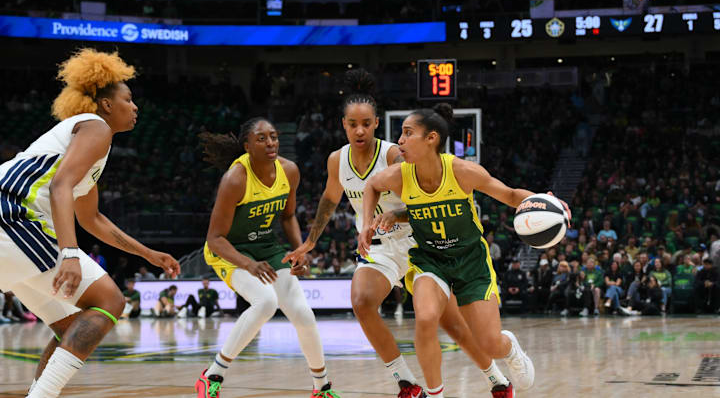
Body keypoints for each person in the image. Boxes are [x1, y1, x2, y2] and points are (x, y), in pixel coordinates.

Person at [283, 70, 513, 398]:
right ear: (343, 125)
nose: (359, 130)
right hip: (382, 247)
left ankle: (497, 379)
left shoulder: (396, 154)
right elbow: (329, 200)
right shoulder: (337, 160)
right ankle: (406, 381)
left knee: (453, 327)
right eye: (352, 124)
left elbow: (429, 202)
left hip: (419, 242)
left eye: (366, 123)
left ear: (377, 123)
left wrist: (396, 213)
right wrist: (309, 242)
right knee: (361, 301)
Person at [0, 48, 179, 398]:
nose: (135, 106)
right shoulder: (96, 127)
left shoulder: (86, 145)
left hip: (13, 232)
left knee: (70, 326)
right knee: (110, 301)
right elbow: (60, 186)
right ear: (108, 105)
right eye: (129, 99)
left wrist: (147, 254)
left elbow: (92, 219)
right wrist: (69, 252)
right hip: (12, 218)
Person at [359, 104, 568, 397]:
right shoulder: (400, 174)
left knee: (489, 343)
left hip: (471, 261)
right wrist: (366, 224)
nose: (400, 142)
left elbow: (508, 194)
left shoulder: (462, 171)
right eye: (400, 135)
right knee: (426, 317)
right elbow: (371, 186)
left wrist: (545, 201)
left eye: (408, 134)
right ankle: (435, 394)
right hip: (430, 259)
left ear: (431, 138)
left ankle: (509, 348)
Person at [194, 117, 341, 398]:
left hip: (265, 246)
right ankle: (212, 374)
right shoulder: (235, 179)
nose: (271, 142)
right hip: (230, 251)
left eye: (273, 136)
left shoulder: (289, 171)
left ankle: (321, 388)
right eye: (262, 138)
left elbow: (287, 217)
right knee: (266, 302)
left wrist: (300, 250)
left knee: (303, 314)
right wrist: (248, 264)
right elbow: (215, 238)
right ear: (247, 146)